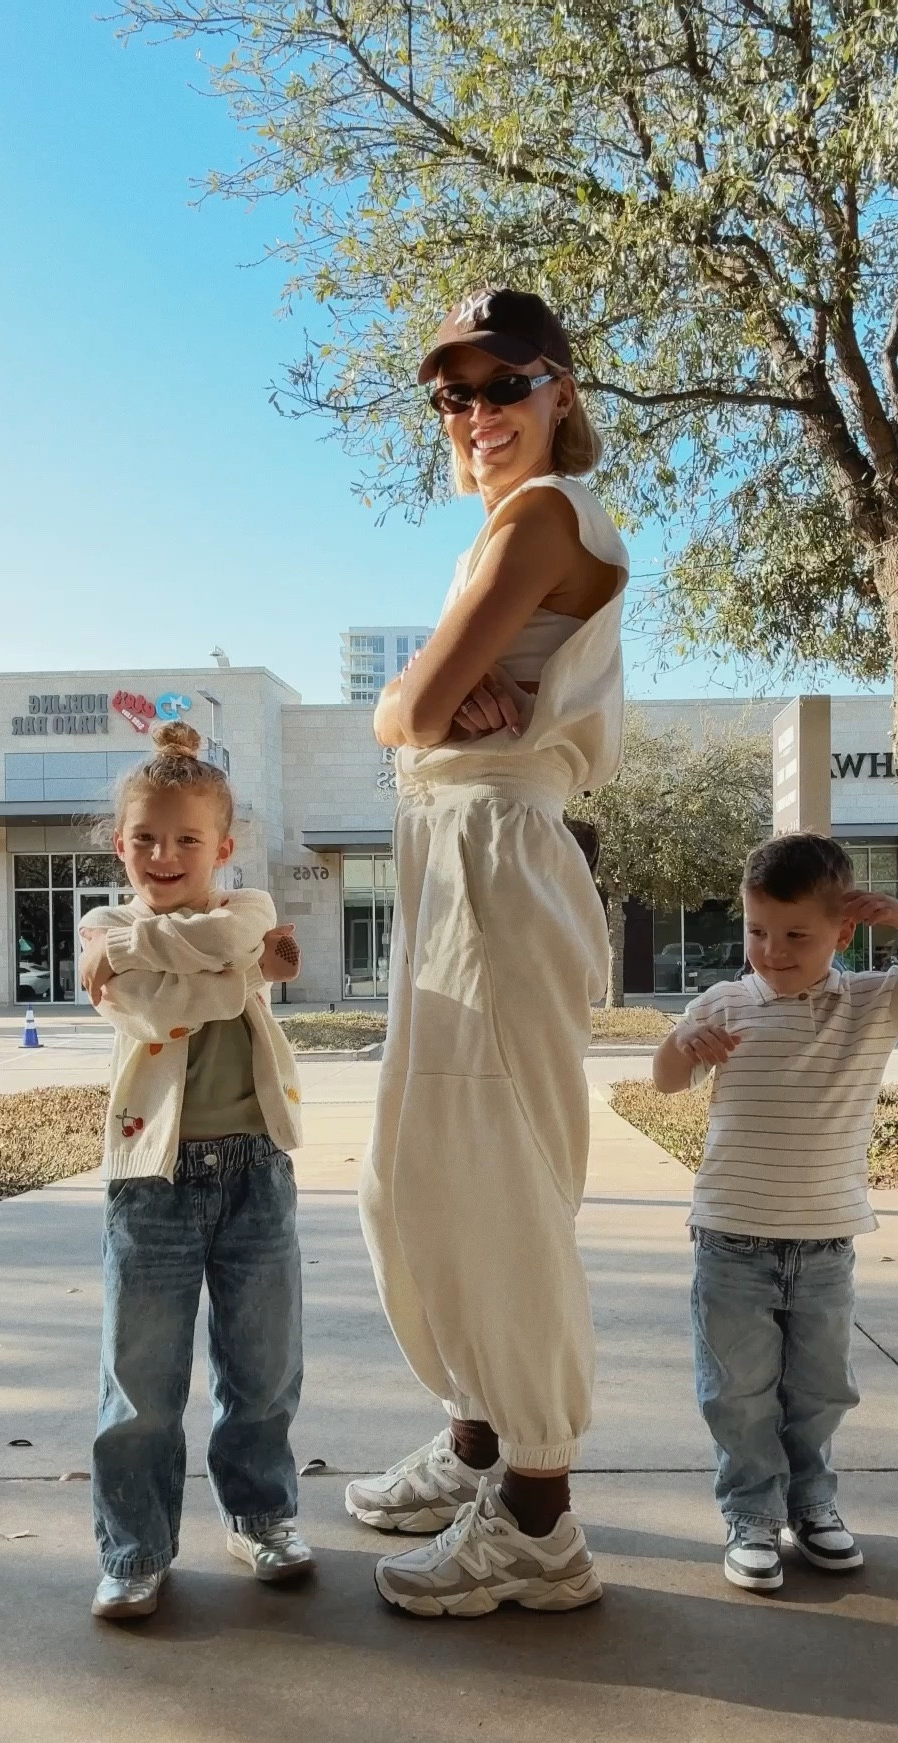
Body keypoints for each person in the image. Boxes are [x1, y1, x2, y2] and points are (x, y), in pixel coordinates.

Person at [345, 287, 629, 1617]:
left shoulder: (547, 516)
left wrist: (419, 700)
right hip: (457, 858)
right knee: (422, 1178)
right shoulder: (503, 532)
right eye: (450, 395)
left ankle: (536, 1518)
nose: (473, 414)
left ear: (558, 390)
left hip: (495, 860)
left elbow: (400, 710)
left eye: (500, 384)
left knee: (494, 1182)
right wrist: (421, 706)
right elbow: (411, 714)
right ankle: (479, 1444)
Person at [652, 832, 898, 1593]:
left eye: (797, 935)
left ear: (843, 931)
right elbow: (667, 1081)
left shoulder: (871, 1002)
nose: (772, 950)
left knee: (821, 1389)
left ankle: (815, 1504)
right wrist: (682, 1042)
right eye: (758, 930)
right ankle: (751, 1517)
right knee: (737, 1392)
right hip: (730, 1241)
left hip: (827, 1244)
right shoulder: (727, 1002)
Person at [78, 721, 314, 1620]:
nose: (163, 854)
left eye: (186, 840)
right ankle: (135, 1547)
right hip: (152, 1175)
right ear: (120, 843)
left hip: (256, 1168)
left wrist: (164, 954)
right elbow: (152, 1019)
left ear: (224, 847)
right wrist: (238, 970)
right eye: (145, 838)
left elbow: (220, 957)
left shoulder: (240, 909)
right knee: (140, 1379)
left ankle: (263, 1514)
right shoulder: (99, 921)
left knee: (262, 1366)